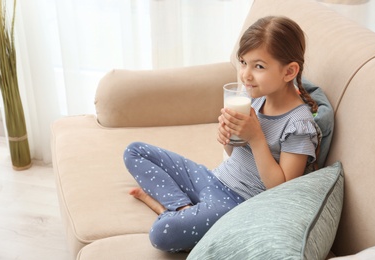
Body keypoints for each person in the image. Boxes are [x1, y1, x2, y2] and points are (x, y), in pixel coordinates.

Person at [123, 15, 320, 253]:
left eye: (258, 66)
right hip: (213, 178)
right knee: (134, 151)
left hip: (235, 202)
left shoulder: (298, 124)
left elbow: (282, 190)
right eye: (243, 62)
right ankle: (184, 208)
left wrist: (256, 138)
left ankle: (170, 211)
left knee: (162, 234)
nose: (246, 75)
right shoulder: (256, 99)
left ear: (289, 71)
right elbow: (237, 154)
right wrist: (228, 138)